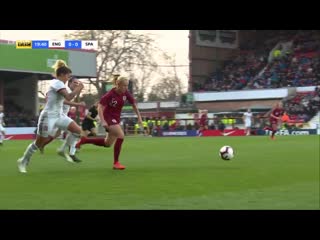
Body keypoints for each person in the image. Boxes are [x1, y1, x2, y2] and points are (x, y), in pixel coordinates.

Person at [17, 60, 84, 173]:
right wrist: (78, 89)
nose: (69, 78)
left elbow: (70, 96)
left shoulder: (62, 85)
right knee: (39, 143)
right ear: (62, 75)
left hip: (59, 116)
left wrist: (78, 90)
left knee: (78, 131)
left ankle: (63, 149)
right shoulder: (56, 83)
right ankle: (23, 161)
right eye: (68, 75)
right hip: (48, 116)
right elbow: (68, 97)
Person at [75, 75, 143, 170]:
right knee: (121, 135)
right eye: (124, 85)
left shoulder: (125, 93)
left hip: (116, 118)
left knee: (107, 144)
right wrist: (103, 121)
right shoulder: (109, 95)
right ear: (118, 85)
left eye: (127, 86)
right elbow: (100, 107)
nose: (126, 88)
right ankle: (116, 163)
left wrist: (139, 117)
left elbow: (134, 105)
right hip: (108, 117)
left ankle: (84, 140)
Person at [56, 76, 86, 162]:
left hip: (63, 116)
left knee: (76, 133)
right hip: (59, 116)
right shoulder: (66, 91)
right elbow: (64, 101)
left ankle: (68, 151)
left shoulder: (71, 92)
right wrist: (78, 104)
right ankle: (67, 151)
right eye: (74, 83)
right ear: (69, 83)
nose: (76, 84)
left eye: (77, 83)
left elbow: (73, 100)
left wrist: (78, 92)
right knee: (78, 132)